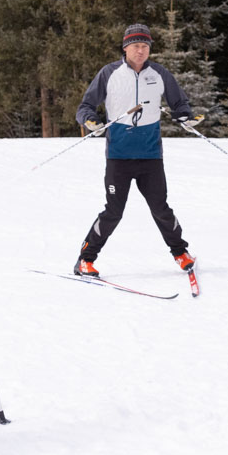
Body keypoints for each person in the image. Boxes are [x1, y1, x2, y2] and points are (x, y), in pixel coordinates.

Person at [73, 23, 199, 286]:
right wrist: (90, 120)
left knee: (161, 208)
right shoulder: (109, 73)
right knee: (114, 212)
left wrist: (185, 117)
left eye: (145, 46)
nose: (141, 51)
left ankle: (181, 253)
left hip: (151, 156)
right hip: (118, 156)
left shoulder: (159, 73)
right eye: (135, 46)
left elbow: (179, 104)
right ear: (125, 47)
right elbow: (85, 106)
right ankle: (86, 259)